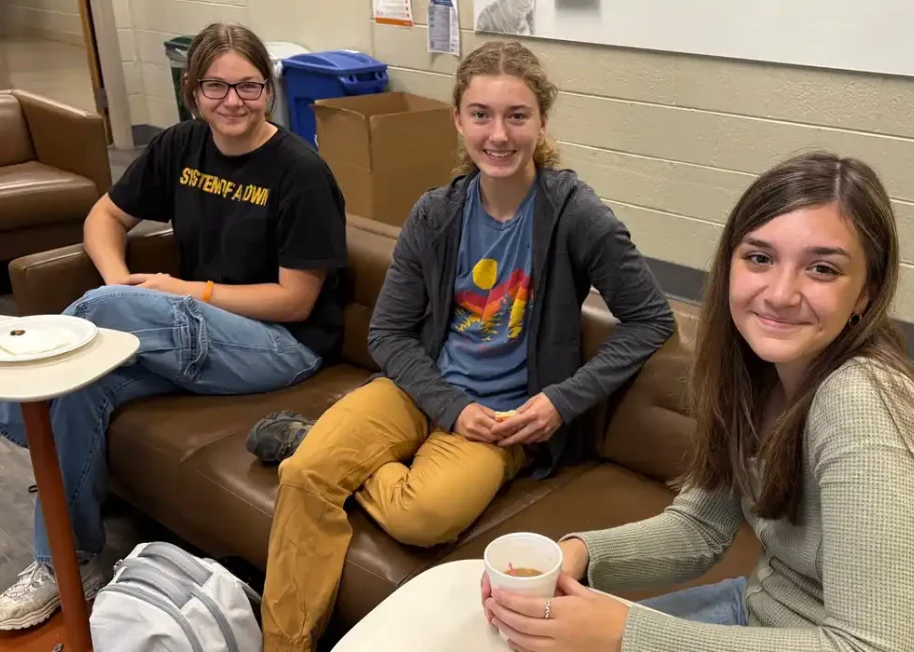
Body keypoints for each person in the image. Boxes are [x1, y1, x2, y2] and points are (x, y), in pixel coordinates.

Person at [482, 152, 914, 651]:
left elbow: (872, 646)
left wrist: (626, 634)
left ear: (864, 294)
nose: (780, 293)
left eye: (822, 269)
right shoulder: (756, 369)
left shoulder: (864, 407)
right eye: (760, 258)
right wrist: (578, 553)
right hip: (765, 616)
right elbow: (701, 527)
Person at [260, 40, 675, 652]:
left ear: (541, 123)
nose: (498, 134)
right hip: (420, 390)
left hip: (504, 421)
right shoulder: (436, 214)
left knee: (421, 516)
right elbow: (389, 333)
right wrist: (448, 405)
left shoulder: (576, 214)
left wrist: (560, 401)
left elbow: (651, 319)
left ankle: (310, 436)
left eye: (516, 115)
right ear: (458, 120)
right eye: (481, 114)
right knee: (304, 475)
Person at [0, 22, 347, 631]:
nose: (233, 101)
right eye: (216, 86)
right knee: (84, 386)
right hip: (197, 334)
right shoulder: (179, 146)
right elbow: (104, 216)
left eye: (249, 86)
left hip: (281, 347)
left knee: (118, 314)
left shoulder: (300, 172)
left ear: (268, 90)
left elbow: (295, 300)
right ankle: (68, 562)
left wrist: (184, 291)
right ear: (191, 89)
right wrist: (113, 279)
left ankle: (9, 402)